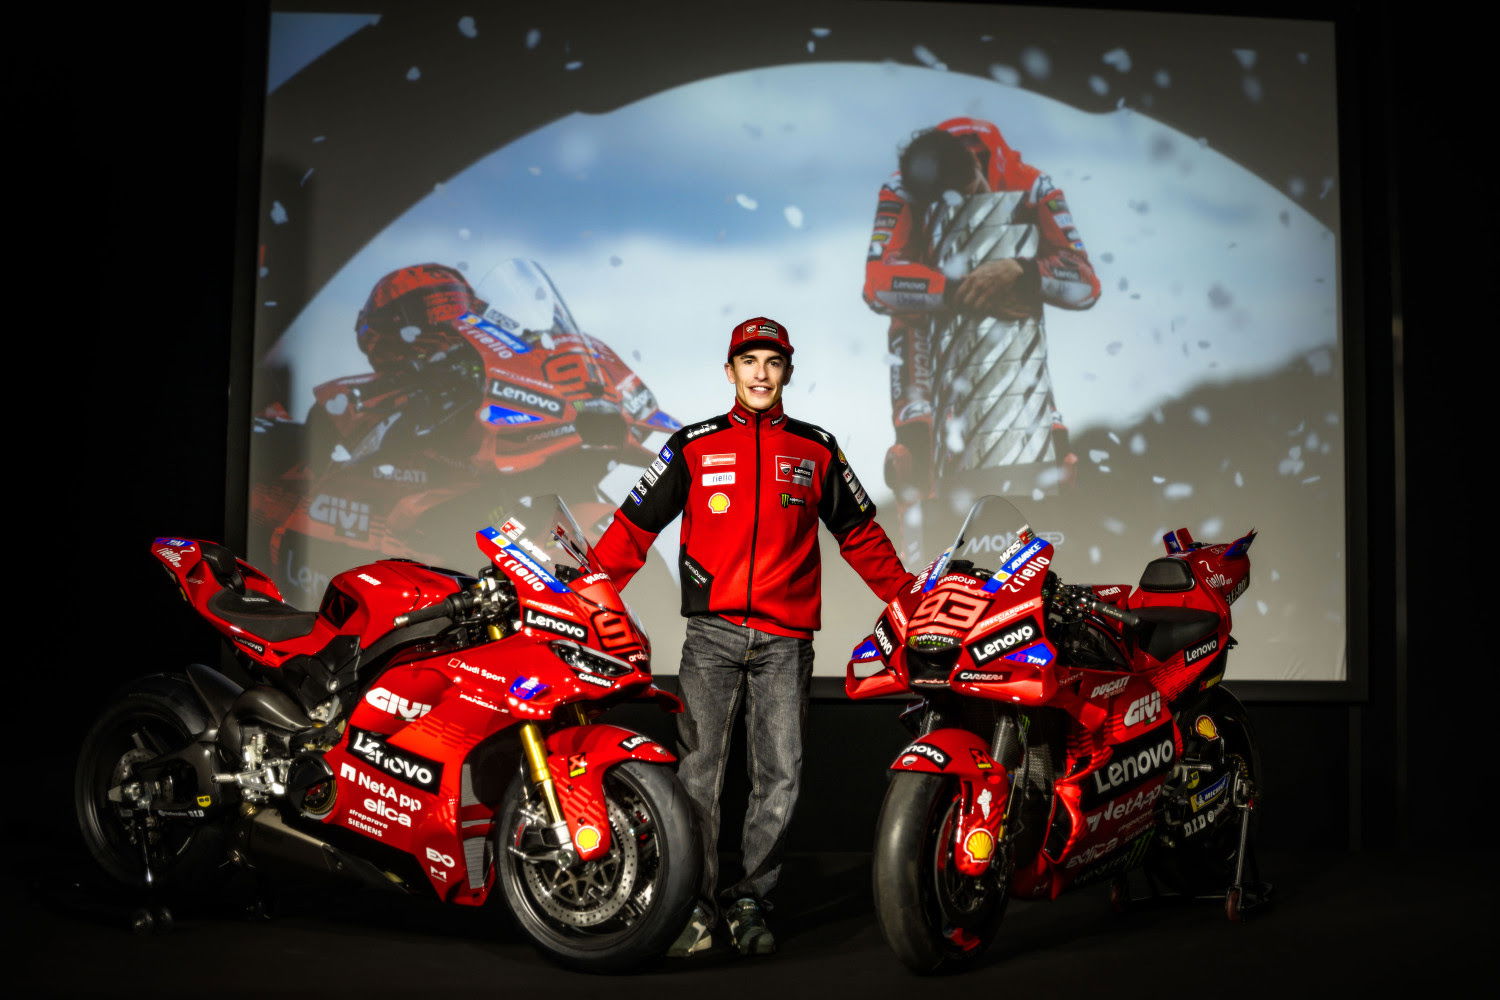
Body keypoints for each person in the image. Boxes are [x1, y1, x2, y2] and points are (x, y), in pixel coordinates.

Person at [591, 316, 913, 957]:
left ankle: (750, 902)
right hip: (709, 638)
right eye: (749, 361)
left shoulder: (817, 449)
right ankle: (695, 907)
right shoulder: (691, 445)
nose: (761, 373)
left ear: (787, 371)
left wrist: (909, 598)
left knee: (780, 777)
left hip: (785, 642)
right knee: (698, 777)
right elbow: (631, 530)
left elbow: (860, 536)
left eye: (772, 362)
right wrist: (587, 594)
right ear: (730, 370)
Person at [863, 118, 1101, 549]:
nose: (959, 214)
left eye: (968, 196)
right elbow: (876, 283)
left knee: (1055, 454)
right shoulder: (900, 190)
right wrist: (956, 289)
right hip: (922, 337)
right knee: (914, 458)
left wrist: (1023, 272)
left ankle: (1063, 561)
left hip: (1013, 345)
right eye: (940, 210)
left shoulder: (1030, 184)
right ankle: (922, 571)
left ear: (977, 165)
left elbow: (1086, 283)